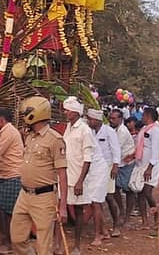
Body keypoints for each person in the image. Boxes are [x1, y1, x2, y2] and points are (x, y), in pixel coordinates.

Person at [10, 95, 68, 255]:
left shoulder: (55, 140)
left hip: (45, 197)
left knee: (44, 246)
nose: (23, 117)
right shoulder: (29, 137)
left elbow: (62, 175)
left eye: (26, 113)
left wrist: (62, 207)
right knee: (17, 238)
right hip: (24, 194)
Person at [0, 108, 23, 254]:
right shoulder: (8, 131)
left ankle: (8, 242)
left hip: (11, 175)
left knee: (6, 211)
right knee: (2, 208)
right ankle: (6, 240)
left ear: (1, 120)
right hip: (5, 174)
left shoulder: (9, 132)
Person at [61, 97, 93, 255]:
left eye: (67, 110)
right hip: (65, 175)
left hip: (78, 177)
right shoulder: (68, 127)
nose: (65, 112)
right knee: (60, 208)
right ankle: (58, 244)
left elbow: (88, 159)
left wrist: (80, 181)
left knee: (79, 210)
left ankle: (77, 246)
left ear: (75, 112)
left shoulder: (85, 130)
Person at [85, 108, 116, 246]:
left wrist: (116, 166)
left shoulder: (109, 131)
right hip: (92, 169)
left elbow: (116, 149)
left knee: (103, 199)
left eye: (90, 119)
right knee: (95, 201)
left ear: (97, 120)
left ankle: (109, 228)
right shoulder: (89, 131)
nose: (88, 121)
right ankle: (104, 230)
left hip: (106, 167)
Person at [133, 107, 159, 231]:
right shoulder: (144, 129)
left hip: (151, 166)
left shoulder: (155, 131)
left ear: (148, 116)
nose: (142, 118)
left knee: (147, 192)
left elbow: (155, 151)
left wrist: (150, 168)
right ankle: (144, 221)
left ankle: (156, 217)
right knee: (140, 193)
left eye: (143, 115)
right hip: (141, 164)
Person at [107, 108, 136, 233]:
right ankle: (122, 211)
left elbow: (115, 149)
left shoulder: (122, 132)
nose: (111, 120)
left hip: (126, 163)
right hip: (119, 163)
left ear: (120, 119)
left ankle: (127, 216)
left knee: (128, 189)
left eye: (114, 118)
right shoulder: (114, 129)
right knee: (115, 188)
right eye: (110, 118)